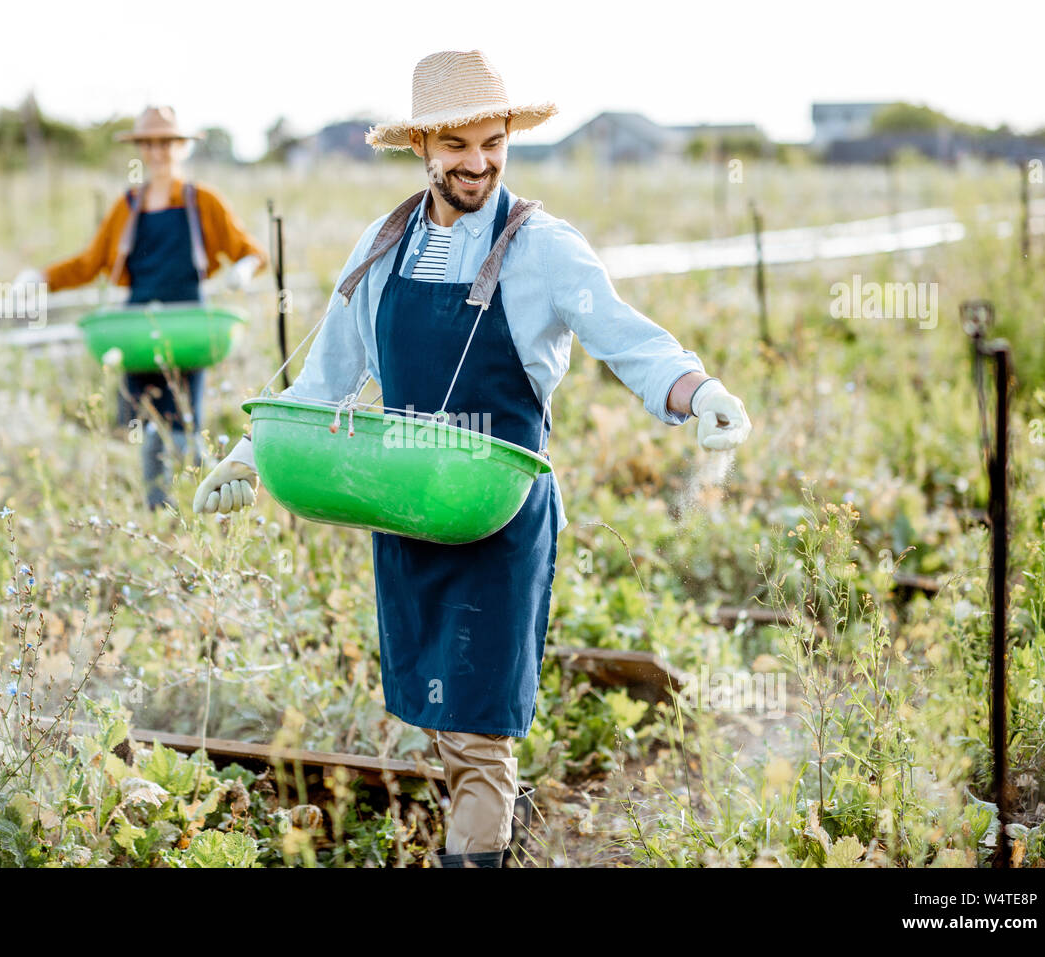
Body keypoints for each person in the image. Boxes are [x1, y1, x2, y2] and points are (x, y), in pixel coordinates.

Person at [194, 51, 753, 866]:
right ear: (422, 146)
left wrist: (699, 392)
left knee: (478, 725)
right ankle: (501, 811)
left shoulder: (545, 248)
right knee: (439, 710)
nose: (480, 162)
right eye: (458, 145)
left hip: (496, 515)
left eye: (494, 141)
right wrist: (250, 454)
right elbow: (325, 377)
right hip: (409, 507)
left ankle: (482, 839)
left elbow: (629, 341)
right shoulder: (383, 245)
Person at [16, 105, 267, 510]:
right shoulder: (128, 205)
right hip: (136, 332)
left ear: (180, 147)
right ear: (140, 150)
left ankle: (211, 510)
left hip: (187, 329)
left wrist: (244, 268)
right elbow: (89, 262)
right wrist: (41, 279)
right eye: (149, 144)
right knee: (148, 428)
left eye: (166, 143)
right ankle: (160, 515)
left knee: (186, 426)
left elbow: (251, 252)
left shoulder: (203, 201)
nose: (158, 152)